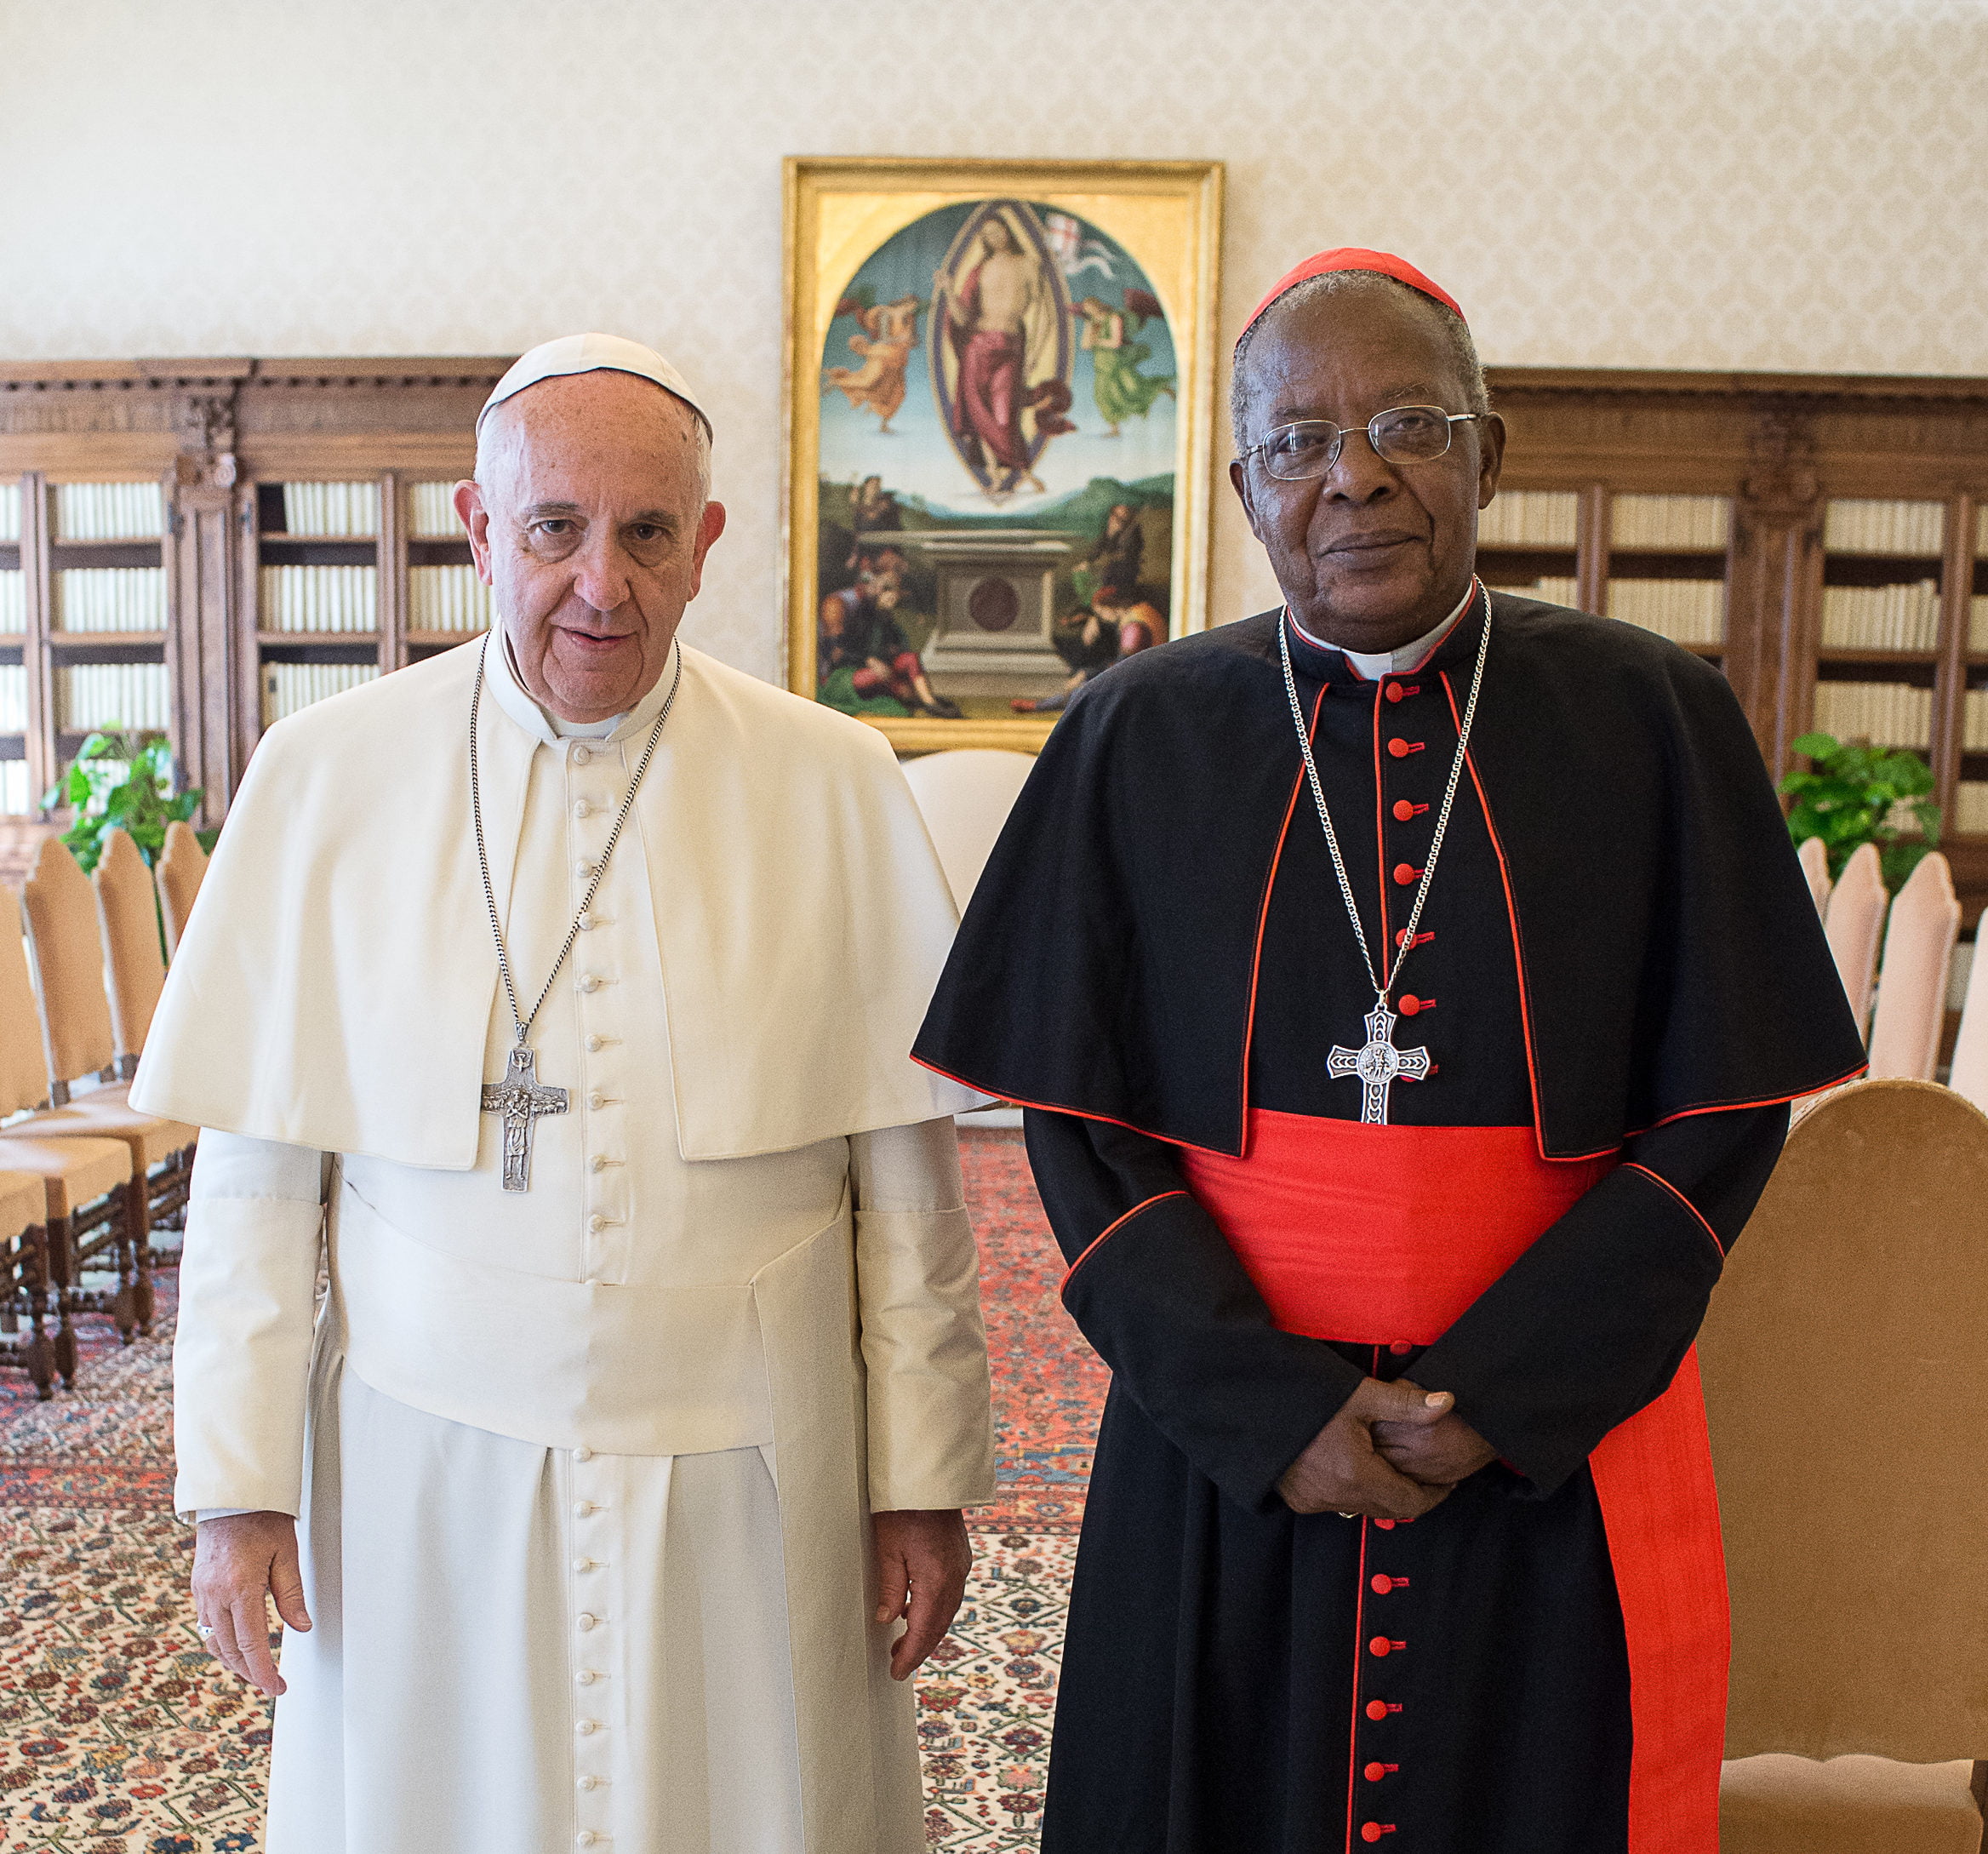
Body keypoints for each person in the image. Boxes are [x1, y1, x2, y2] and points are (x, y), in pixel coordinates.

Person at [915, 252, 1866, 1853]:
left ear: (1487, 454)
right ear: (1241, 485)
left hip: (1543, 1449)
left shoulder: (1647, 718)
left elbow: (1723, 1108)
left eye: (1407, 422)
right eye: (1298, 440)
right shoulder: (1137, 733)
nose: (1352, 472)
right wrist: (1264, 1404)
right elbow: (1077, 1126)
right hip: (1227, 1444)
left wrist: (1500, 1390)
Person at [136, 332, 997, 1854]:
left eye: (648, 533)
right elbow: (262, 1180)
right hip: (421, 1462)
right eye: (555, 530)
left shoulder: (830, 777)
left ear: (706, 543)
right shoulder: (328, 775)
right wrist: (238, 1489)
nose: (603, 583)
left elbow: (903, 1185)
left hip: (754, 1464)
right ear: (480, 528)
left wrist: (920, 1479)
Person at [940, 215, 1074, 495]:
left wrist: (1035, 355)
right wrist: (949, 291)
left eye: (997, 230)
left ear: (1007, 231)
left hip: (1010, 347)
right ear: (983, 240)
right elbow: (963, 319)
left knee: (1004, 415)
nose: (993, 237)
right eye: (987, 234)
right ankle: (994, 475)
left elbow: (1046, 317)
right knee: (981, 414)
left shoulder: (1028, 264)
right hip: (977, 347)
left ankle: (1023, 470)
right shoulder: (981, 269)